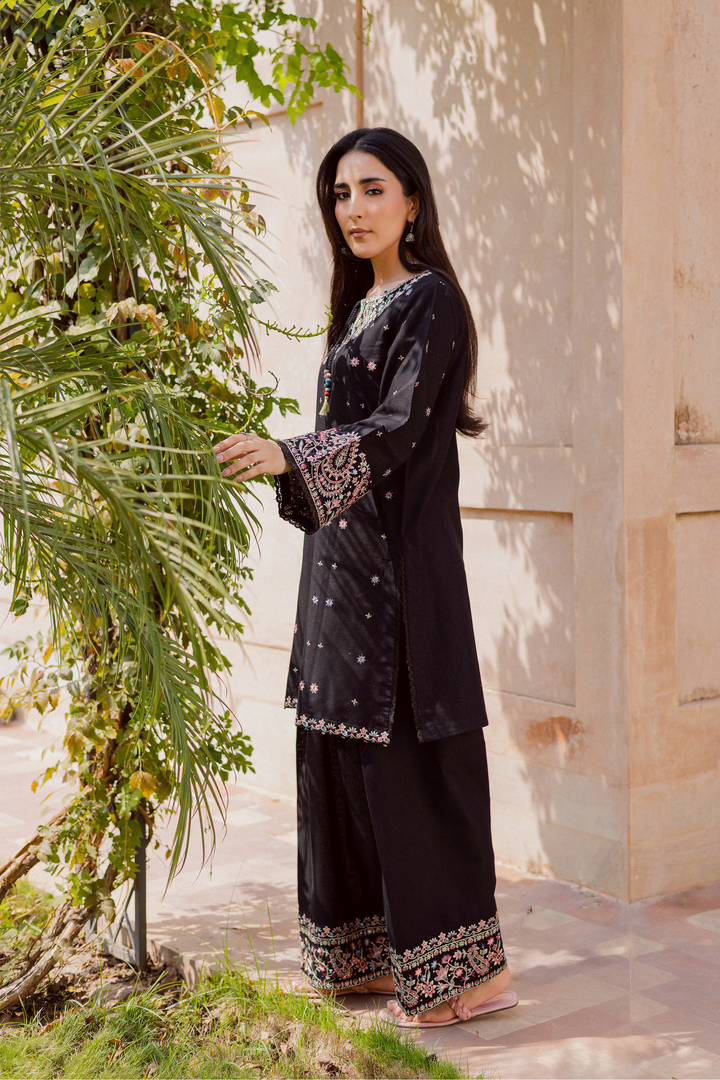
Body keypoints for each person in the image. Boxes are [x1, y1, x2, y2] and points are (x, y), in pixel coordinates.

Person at [214, 127, 516, 1028]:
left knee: (412, 771)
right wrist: (286, 462)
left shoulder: (433, 303)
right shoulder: (357, 309)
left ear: (413, 202)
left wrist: (287, 455)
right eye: (340, 194)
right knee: (339, 759)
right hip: (339, 576)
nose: (354, 209)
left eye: (373, 190)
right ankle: (365, 953)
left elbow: (393, 432)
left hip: (402, 583)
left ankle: (472, 975)